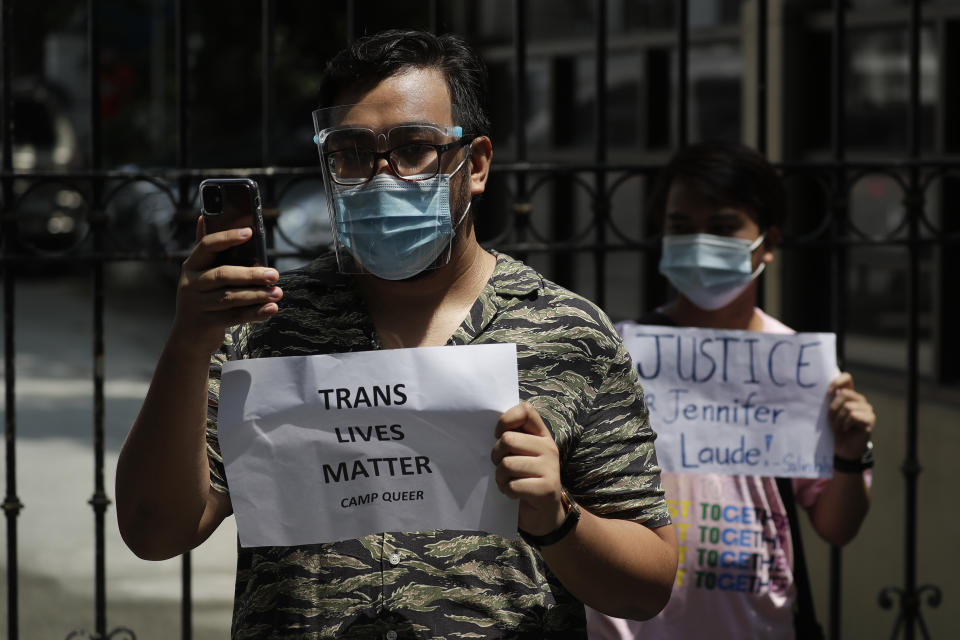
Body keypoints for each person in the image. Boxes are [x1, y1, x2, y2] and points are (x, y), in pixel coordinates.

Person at [115, 30, 677, 639]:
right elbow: (154, 531)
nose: (383, 177)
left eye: (415, 149)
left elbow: (646, 589)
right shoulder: (264, 327)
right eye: (352, 152)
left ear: (477, 164)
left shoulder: (569, 332)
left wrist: (556, 518)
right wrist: (190, 341)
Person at [587, 141, 876, 640]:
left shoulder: (797, 365)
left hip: (756, 624)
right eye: (681, 226)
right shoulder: (617, 352)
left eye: (722, 227)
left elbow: (837, 527)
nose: (699, 242)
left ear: (767, 242)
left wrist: (851, 454)